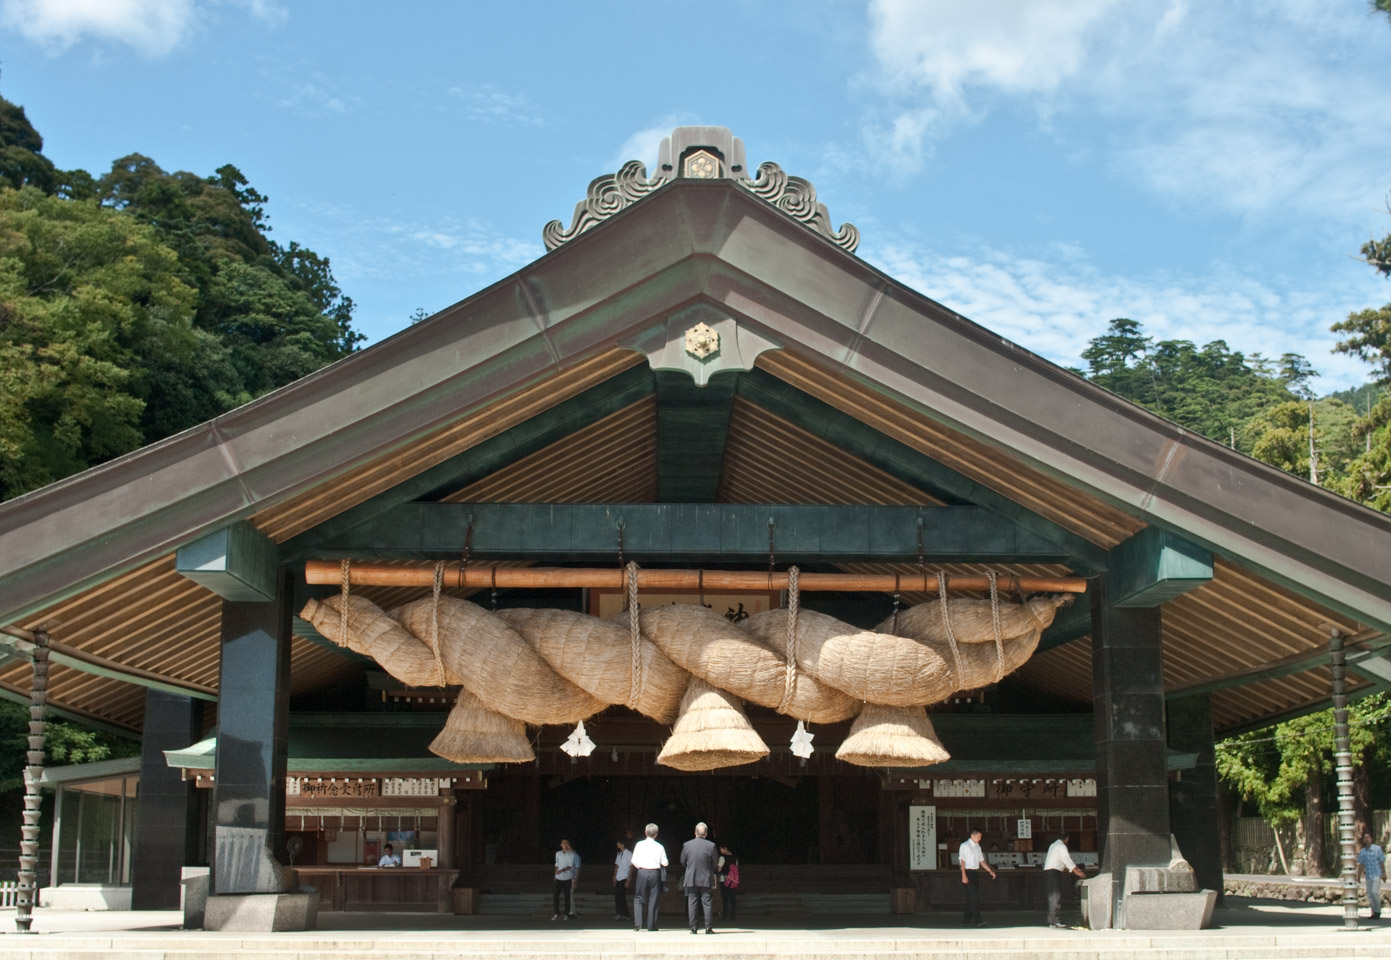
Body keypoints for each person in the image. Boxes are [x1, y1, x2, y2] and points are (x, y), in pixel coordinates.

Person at [1042, 831, 1087, 928]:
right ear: (1067, 838)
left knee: (1053, 896)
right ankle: (1055, 921)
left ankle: (1052, 921)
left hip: (1049, 872)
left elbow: (1064, 861)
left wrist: (1075, 869)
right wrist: (1078, 872)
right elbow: (1066, 860)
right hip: (1053, 872)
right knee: (1055, 896)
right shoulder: (1061, 846)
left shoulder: (1053, 845)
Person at [681, 821, 719, 934]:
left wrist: (690, 867)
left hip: (691, 877)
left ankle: (693, 927)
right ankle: (708, 927)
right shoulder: (711, 845)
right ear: (706, 833)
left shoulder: (687, 845)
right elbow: (715, 862)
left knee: (692, 902)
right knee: (707, 902)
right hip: (706, 878)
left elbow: (683, 861)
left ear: (695, 832)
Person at [630, 822, 668, 931]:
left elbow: (633, 860)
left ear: (645, 832)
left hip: (642, 872)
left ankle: (638, 924)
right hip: (655, 873)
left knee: (639, 897)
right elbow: (665, 863)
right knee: (653, 899)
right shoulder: (660, 847)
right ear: (656, 834)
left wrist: (641, 868)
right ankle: (651, 925)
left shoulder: (639, 844)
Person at [958, 827, 996, 927]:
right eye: (978, 837)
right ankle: (977, 920)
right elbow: (962, 860)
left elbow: (981, 861)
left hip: (975, 873)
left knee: (972, 898)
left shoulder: (977, 846)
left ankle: (966, 920)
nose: (980, 839)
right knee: (974, 898)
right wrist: (963, 875)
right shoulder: (965, 845)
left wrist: (990, 871)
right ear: (973, 836)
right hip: (967, 872)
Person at [1357, 831, 1386, 920]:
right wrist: (1358, 875)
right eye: (1365, 838)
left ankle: (1378, 910)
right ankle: (1374, 912)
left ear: (1371, 839)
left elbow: (1381, 861)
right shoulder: (1363, 851)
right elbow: (1361, 864)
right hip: (1368, 875)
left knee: (1374, 892)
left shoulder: (1377, 849)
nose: (1366, 839)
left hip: (1376, 874)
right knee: (1370, 894)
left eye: (1368, 837)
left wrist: (1383, 873)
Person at [553, 838, 577, 921]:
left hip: (567, 878)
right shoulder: (558, 853)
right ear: (561, 845)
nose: (565, 844)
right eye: (563, 843)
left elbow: (570, 866)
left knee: (567, 896)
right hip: (559, 878)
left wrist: (562, 870)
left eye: (566, 843)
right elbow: (557, 864)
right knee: (555, 895)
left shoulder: (571, 854)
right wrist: (555, 874)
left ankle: (566, 913)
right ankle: (556, 913)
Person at [717, 843, 739, 923]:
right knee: (732, 898)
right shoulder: (735, 858)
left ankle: (725, 915)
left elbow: (719, 869)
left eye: (721, 848)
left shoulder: (722, 858)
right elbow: (736, 868)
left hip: (724, 879)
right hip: (733, 880)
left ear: (725, 848)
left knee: (725, 898)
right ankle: (733, 915)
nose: (720, 850)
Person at [613, 838, 633, 921]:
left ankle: (625, 914)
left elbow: (631, 866)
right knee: (617, 896)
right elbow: (617, 865)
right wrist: (614, 876)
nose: (617, 844)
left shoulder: (629, 853)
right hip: (619, 876)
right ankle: (619, 913)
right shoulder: (619, 854)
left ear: (622, 844)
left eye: (618, 843)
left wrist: (629, 879)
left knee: (622, 895)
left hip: (624, 877)